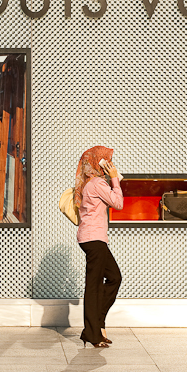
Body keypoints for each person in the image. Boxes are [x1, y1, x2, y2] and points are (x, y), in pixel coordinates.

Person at [74, 146, 123, 348]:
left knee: (114, 277)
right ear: (97, 162)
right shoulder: (96, 183)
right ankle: (92, 333)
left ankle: (97, 325)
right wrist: (115, 179)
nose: (109, 164)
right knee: (93, 286)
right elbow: (118, 203)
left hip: (93, 238)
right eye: (106, 161)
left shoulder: (90, 183)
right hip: (94, 239)